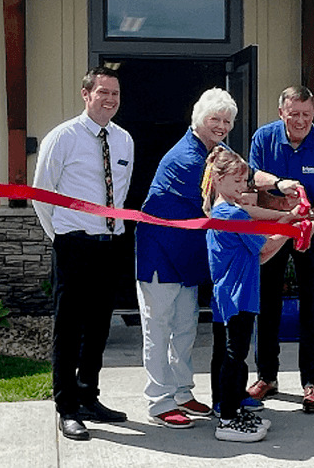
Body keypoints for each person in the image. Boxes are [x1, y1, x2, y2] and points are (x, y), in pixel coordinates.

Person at [32, 66, 134, 441]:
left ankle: (89, 395)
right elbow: (42, 194)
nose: (110, 100)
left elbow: (120, 195)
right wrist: (61, 236)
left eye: (115, 94)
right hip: (74, 244)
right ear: (85, 94)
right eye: (103, 92)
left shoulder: (124, 140)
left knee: (99, 327)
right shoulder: (62, 137)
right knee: (69, 327)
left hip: (110, 245)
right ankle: (67, 407)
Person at [134, 88, 240, 429]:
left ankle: (181, 391)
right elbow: (229, 197)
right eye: (215, 119)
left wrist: (280, 185)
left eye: (227, 120)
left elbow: (245, 174)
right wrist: (278, 215)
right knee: (158, 328)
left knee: (185, 328)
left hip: (188, 256)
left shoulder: (216, 152)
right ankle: (159, 401)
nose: (221, 126)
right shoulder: (188, 158)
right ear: (199, 119)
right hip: (160, 255)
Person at [246, 85, 314, 413]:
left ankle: (312, 383)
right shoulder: (263, 137)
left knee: (312, 304)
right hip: (271, 228)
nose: (300, 121)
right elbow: (253, 180)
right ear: (282, 112)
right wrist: (278, 185)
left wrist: (303, 230)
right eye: (294, 114)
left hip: (310, 230)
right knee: (266, 301)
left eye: (307, 115)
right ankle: (266, 376)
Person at [203, 147, 295, 442]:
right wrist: (294, 227)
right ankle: (228, 419)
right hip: (238, 294)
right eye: (237, 182)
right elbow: (266, 249)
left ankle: (228, 408)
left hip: (227, 294)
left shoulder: (221, 211)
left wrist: (286, 221)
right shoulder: (232, 213)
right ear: (218, 180)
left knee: (229, 354)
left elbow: (259, 253)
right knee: (235, 356)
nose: (243, 188)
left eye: (245, 182)